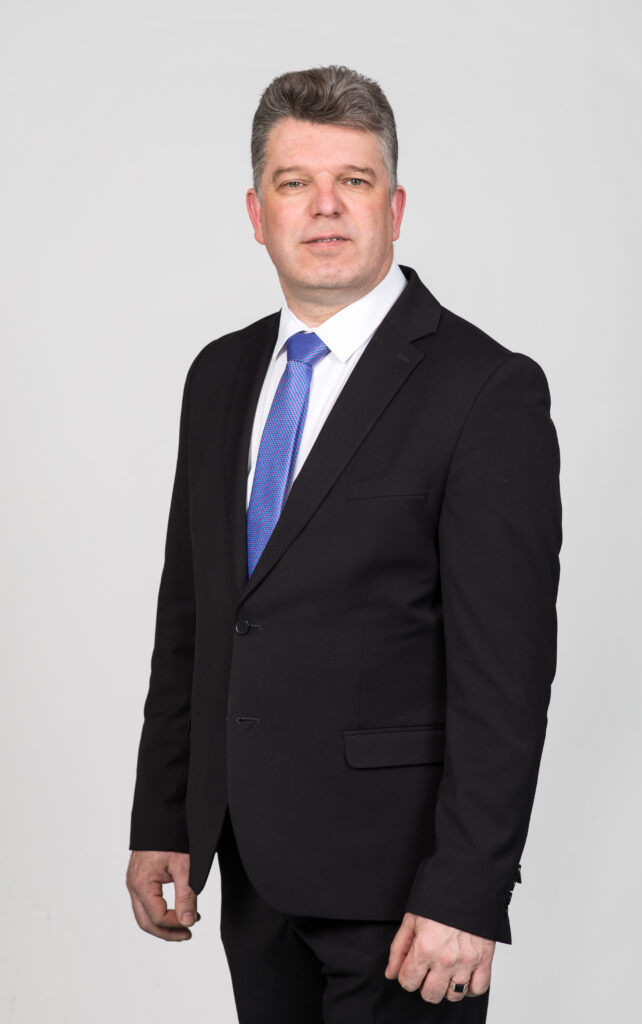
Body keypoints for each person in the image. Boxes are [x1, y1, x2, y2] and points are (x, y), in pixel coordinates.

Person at [126, 65, 562, 1023]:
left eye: (353, 181)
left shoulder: (485, 390)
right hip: (251, 870)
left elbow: (506, 674)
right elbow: (193, 617)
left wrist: (466, 890)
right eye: (295, 183)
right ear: (257, 213)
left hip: (406, 895)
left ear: (393, 207)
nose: (324, 207)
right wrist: (165, 817)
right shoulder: (219, 374)